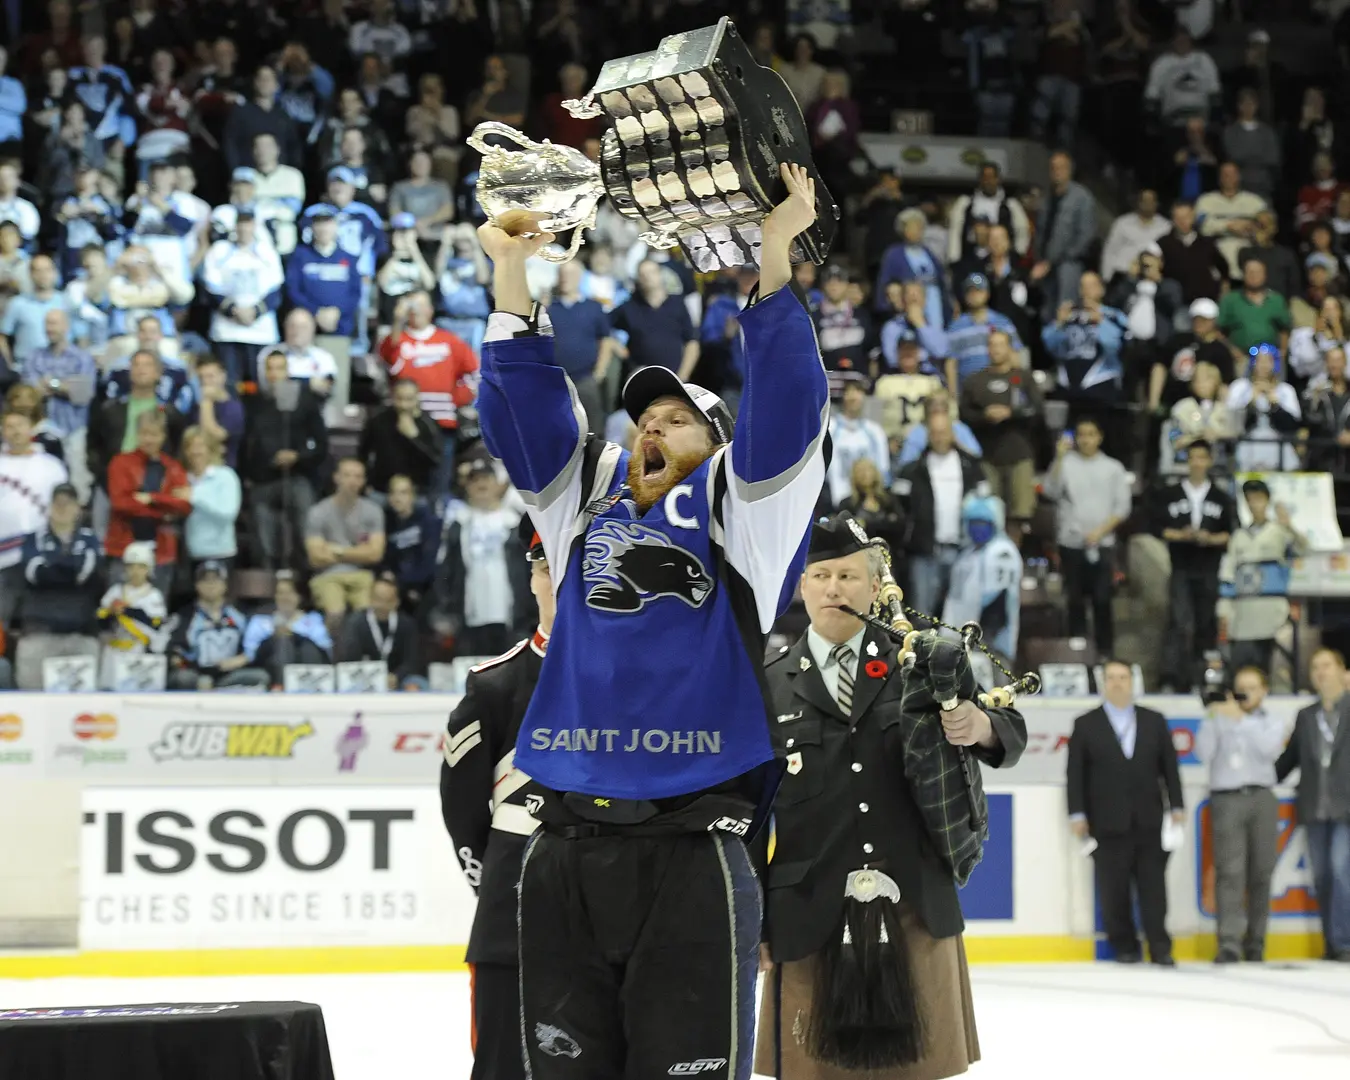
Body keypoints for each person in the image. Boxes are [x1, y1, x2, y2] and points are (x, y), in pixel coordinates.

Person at [474, 163, 825, 1077]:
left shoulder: (741, 518)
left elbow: (787, 409)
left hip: (692, 845)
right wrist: (512, 276)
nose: (652, 429)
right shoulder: (585, 501)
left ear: (720, 444)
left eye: (679, 419)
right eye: (642, 420)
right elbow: (524, 411)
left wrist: (774, 258)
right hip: (562, 849)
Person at [756, 511, 1026, 1080]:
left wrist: (979, 726)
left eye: (850, 576)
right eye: (821, 575)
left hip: (915, 906)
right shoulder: (768, 682)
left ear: (875, 588)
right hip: (807, 913)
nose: (834, 588)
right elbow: (749, 812)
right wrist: (755, 922)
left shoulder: (925, 663)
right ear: (799, 587)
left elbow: (1008, 731)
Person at [441, 523, 552, 1080]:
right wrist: (497, 888)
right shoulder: (494, 687)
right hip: (512, 914)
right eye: (546, 569)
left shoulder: (634, 680)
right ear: (531, 580)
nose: (558, 582)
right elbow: (462, 812)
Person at [1067, 659, 1185, 965]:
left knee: (1153, 889)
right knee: (1113, 889)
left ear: (1133, 681)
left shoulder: (1154, 721)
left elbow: (1170, 768)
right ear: (1103, 682)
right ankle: (1125, 946)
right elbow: (1075, 775)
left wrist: (1178, 805)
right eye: (1112, 677)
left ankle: (1160, 947)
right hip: (1106, 821)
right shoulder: (1086, 724)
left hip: (1148, 818)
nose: (1118, 682)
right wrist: (1077, 814)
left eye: (1123, 677)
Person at [1196, 666, 1285, 963]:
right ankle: (1229, 942)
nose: (1243, 694)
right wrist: (1214, 717)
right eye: (1239, 687)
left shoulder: (1273, 722)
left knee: (1261, 872)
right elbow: (1202, 752)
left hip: (1261, 797)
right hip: (1227, 798)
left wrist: (1241, 720)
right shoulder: (1218, 717)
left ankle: (1256, 941)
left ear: (1263, 691)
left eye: (1250, 688)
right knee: (1230, 872)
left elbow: (1269, 749)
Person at [1277, 648, 1350, 962]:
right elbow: (1288, 762)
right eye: (1315, 667)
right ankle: (1332, 943)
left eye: (1327, 666)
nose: (1321, 672)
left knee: (1340, 870)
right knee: (1321, 876)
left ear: (1342, 672)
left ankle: (1344, 941)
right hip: (1314, 808)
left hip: (1346, 808)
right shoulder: (1306, 716)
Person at [1154, 440, 1236, 692]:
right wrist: (1183, 535)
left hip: (1209, 567)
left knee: (1205, 624)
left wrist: (1208, 538)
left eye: (1202, 457)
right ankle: (1171, 677)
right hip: (1181, 566)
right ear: (1186, 461)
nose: (1197, 463)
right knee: (1179, 622)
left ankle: (1202, 679)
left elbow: (1230, 533)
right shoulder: (1170, 494)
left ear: (1209, 461)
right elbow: (1158, 528)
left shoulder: (1221, 497)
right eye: (1192, 458)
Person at [1045, 418, 1131, 656]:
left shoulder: (1113, 468)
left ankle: (1105, 653)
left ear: (1100, 437)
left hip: (1101, 545)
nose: (1086, 439)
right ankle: (1076, 651)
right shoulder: (1066, 463)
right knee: (1074, 601)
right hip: (1070, 544)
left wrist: (1100, 532)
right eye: (1081, 434)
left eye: (1091, 434)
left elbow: (1122, 507)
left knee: (1102, 601)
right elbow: (1050, 490)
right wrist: (1059, 457)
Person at [242, 349, 328, 570]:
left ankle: (308, 575)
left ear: (288, 371)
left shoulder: (304, 400)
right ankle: (267, 579)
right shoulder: (254, 403)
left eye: (279, 368)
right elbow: (246, 445)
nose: (274, 374)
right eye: (269, 369)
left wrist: (298, 456)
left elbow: (321, 445)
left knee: (305, 524)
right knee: (261, 531)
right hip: (263, 479)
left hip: (297, 476)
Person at [895, 410, 985, 619]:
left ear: (952, 433)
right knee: (922, 614)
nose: (939, 437)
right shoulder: (911, 470)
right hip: (925, 552)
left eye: (943, 432)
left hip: (964, 552)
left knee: (962, 615)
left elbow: (985, 503)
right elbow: (899, 509)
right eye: (934, 432)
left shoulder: (971, 466)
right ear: (928, 435)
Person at [13, 482, 101, 690]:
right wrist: (68, 566)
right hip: (39, 633)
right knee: (31, 703)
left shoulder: (90, 539)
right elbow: (34, 574)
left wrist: (52, 565)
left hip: (80, 635)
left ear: (78, 508)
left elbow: (85, 574)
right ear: (49, 507)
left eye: (68, 503)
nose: (62, 508)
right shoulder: (32, 539)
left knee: (86, 708)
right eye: (58, 503)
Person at [958, 329, 1042, 536]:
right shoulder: (974, 381)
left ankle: (1011, 559)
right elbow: (963, 414)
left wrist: (1011, 413)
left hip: (1019, 454)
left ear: (1010, 348)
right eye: (992, 345)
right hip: (986, 456)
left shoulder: (1024, 378)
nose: (995, 349)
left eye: (1000, 344)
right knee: (988, 512)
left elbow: (1038, 411)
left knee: (1019, 515)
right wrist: (984, 416)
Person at [1218, 480, 1306, 676]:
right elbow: (1228, 574)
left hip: (1272, 614)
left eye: (1258, 499)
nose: (1254, 504)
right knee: (1241, 670)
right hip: (1243, 616)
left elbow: (1302, 549)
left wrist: (1289, 526)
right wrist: (1224, 609)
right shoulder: (1238, 536)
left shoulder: (1279, 532)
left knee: (1273, 669)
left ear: (1267, 501)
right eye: (1249, 499)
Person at [104, 410, 191, 597]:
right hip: (124, 546)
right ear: (137, 434)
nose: (149, 439)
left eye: (154, 434)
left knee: (155, 609)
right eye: (144, 433)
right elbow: (120, 503)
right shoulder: (121, 463)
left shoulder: (173, 467)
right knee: (119, 607)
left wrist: (153, 498)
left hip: (161, 550)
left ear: (163, 436)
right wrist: (163, 511)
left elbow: (184, 505)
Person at [305, 457, 386, 633]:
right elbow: (315, 557)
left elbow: (375, 554)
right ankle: (329, 655)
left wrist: (338, 550)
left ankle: (364, 657)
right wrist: (360, 552)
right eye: (347, 475)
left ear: (363, 481)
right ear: (336, 478)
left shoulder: (373, 511)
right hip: (327, 575)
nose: (352, 481)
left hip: (362, 574)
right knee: (336, 613)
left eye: (358, 476)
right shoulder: (318, 512)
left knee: (366, 617)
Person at [943, 493, 1023, 664]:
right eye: (973, 523)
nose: (977, 528)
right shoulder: (967, 553)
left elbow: (999, 602)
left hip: (988, 643)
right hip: (958, 638)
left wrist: (983, 640)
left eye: (983, 523)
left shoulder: (1002, 551)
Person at [165, 560, 268, 690]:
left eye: (215, 580)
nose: (211, 585)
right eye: (206, 581)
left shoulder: (240, 615)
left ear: (224, 585)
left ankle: (222, 689)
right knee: (182, 678)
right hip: (196, 676)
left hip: (230, 675)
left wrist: (243, 658)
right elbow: (174, 650)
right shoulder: (184, 617)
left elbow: (257, 644)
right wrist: (182, 662)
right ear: (197, 585)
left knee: (261, 677)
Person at [546, 259, 614, 434]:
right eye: (562, 275)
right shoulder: (548, 310)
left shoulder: (593, 307)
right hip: (556, 381)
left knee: (593, 429)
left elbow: (606, 340)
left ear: (580, 277)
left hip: (586, 379)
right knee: (558, 429)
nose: (565, 279)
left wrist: (599, 372)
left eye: (570, 274)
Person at [95, 539, 166, 688]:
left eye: (141, 567)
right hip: (113, 650)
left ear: (149, 569)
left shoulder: (154, 596)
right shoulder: (115, 592)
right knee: (108, 690)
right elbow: (100, 620)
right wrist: (110, 613)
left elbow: (155, 625)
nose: (135, 571)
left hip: (138, 650)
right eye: (130, 566)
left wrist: (128, 611)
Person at [241, 572, 332, 686]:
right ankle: (281, 686)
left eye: (290, 593)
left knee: (303, 644)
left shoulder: (314, 619)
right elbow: (250, 655)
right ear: (275, 597)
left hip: (307, 666)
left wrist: (294, 635)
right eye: (281, 593)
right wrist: (274, 636)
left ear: (299, 597)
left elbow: (324, 650)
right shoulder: (260, 621)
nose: (285, 597)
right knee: (282, 640)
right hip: (270, 667)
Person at [337, 573, 425, 691]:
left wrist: (396, 677)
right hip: (363, 678)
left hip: (396, 678)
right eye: (378, 599)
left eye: (387, 600)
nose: (382, 605)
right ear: (370, 599)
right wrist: (372, 676)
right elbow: (348, 659)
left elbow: (412, 660)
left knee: (416, 684)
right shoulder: (356, 623)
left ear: (396, 602)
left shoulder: (406, 624)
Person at [180, 426, 241, 570]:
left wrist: (194, 497)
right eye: (190, 446)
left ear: (210, 449)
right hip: (191, 553)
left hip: (220, 552)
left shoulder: (225, 476)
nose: (195, 451)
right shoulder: (183, 478)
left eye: (200, 446)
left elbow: (228, 513)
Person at [826, 381, 889, 507]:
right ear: (843, 396)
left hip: (868, 504)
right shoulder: (830, 429)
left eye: (858, 392)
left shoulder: (875, 431)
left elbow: (883, 469)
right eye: (849, 392)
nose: (854, 396)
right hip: (837, 499)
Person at [1101, 190, 1172, 284]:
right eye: (1145, 201)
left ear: (1157, 204)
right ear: (1138, 203)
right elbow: (1110, 252)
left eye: (1151, 201)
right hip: (1123, 274)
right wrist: (1106, 279)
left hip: (1153, 278)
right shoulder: (1122, 223)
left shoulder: (1166, 227)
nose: (1148, 204)